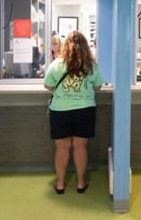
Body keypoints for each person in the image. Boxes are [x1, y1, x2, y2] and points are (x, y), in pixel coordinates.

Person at [44, 31, 103, 195]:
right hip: (85, 110)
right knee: (80, 146)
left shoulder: (57, 64)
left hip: (60, 110)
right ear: (85, 47)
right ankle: (80, 183)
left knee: (62, 148)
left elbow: (48, 86)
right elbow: (98, 87)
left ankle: (61, 184)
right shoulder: (91, 65)